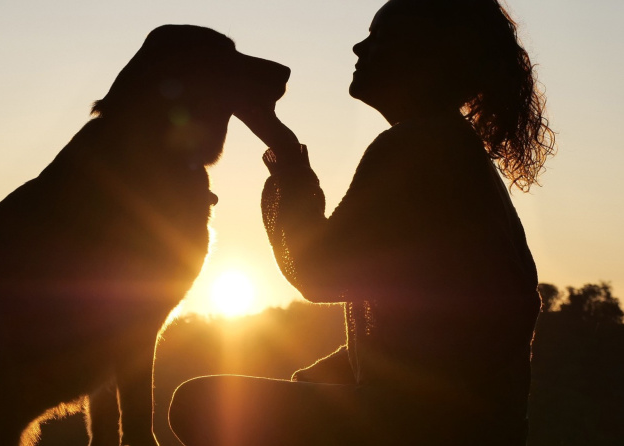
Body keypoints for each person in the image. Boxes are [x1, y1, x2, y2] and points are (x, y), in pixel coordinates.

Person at [168, 0, 555, 444]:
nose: (358, 47)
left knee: (199, 402)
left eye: (379, 38)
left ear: (425, 55)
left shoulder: (416, 146)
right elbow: (425, 327)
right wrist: (320, 378)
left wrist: (284, 151)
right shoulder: (451, 148)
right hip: (477, 426)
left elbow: (317, 272)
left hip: (430, 427)